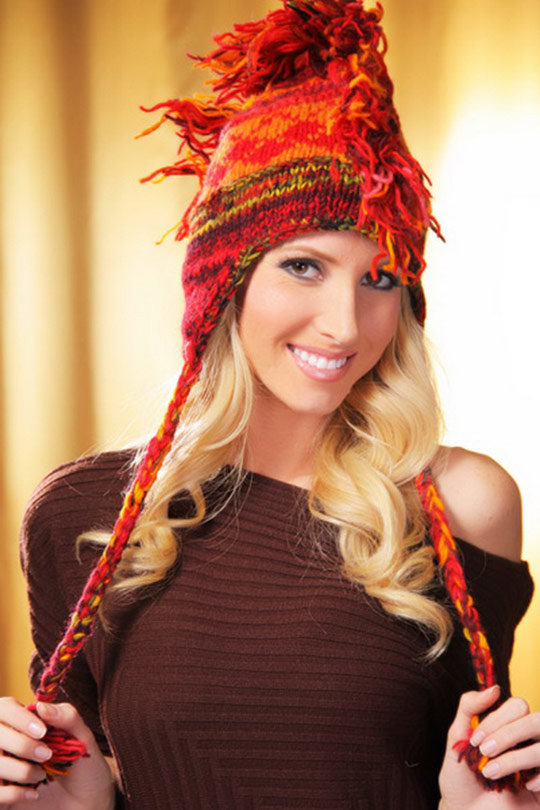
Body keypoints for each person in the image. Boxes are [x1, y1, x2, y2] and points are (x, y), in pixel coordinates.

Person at [0, 1, 538, 808]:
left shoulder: (465, 506)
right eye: (304, 266)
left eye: (380, 278)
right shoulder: (81, 516)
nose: (345, 324)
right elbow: (82, 781)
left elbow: (477, 780)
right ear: (224, 282)